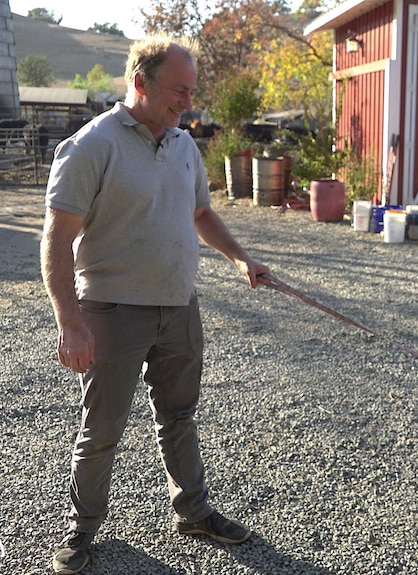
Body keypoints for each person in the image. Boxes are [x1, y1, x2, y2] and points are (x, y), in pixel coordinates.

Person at [40, 36, 269, 574]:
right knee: (102, 430)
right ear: (140, 83)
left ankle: (191, 510)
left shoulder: (183, 145)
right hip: (112, 311)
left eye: (190, 92)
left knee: (180, 417)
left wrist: (239, 258)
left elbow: (201, 214)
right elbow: (56, 239)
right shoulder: (90, 146)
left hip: (178, 307)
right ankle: (81, 529)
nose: (186, 102)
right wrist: (70, 322)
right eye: (177, 91)